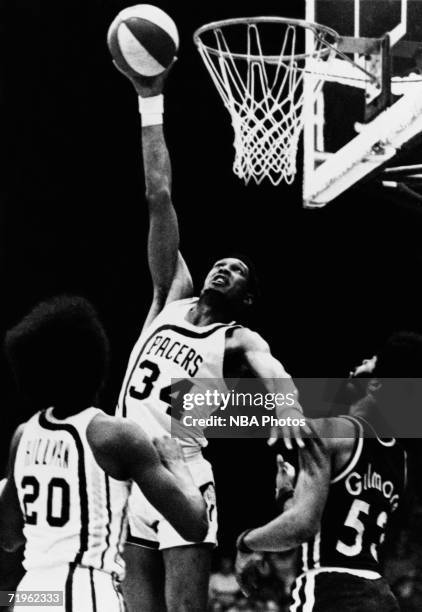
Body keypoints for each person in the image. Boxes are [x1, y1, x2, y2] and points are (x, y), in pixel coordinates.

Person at [112, 60, 304, 612]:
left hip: (182, 476)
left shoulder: (240, 338)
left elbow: (274, 372)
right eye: (220, 262)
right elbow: (159, 196)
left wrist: (288, 409)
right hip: (128, 475)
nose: (223, 267)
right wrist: (151, 100)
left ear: (246, 297)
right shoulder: (169, 296)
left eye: (237, 269)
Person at [0, 295, 208, 611]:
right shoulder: (116, 435)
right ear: (95, 357)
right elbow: (195, 525)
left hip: (33, 595)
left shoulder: (23, 435)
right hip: (88, 592)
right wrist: (179, 465)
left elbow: (9, 537)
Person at [235, 332, 418, 611]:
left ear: (377, 384)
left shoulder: (328, 431)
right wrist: (286, 493)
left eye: (374, 360)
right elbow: (328, 523)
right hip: (380, 596)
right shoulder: (400, 460)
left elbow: (302, 527)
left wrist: (246, 542)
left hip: (331, 591)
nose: (364, 359)